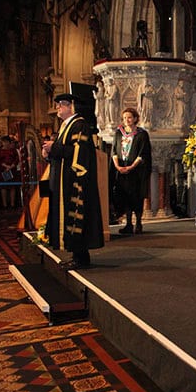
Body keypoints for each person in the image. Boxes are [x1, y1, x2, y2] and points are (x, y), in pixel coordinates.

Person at [42, 93, 104, 270]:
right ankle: (76, 255)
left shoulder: (80, 125)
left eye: (62, 104)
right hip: (64, 180)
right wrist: (49, 153)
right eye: (58, 104)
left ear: (72, 106)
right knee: (69, 218)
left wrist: (55, 147)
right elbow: (64, 153)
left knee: (76, 218)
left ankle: (81, 258)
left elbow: (81, 153)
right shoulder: (65, 126)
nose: (58, 108)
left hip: (75, 182)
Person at [112, 107, 152, 235]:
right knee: (125, 197)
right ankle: (128, 224)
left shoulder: (141, 134)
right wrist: (118, 167)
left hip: (136, 172)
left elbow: (143, 153)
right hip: (122, 170)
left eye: (129, 117)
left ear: (135, 118)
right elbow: (114, 151)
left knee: (136, 197)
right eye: (124, 118)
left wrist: (131, 167)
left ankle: (138, 223)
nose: (126, 120)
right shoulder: (119, 133)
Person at [0, 135, 19, 208]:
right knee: (4, 187)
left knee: (12, 187)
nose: (5, 143)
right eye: (4, 142)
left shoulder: (13, 150)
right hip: (4, 170)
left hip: (12, 169)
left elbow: (16, 159)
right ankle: (5, 204)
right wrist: (6, 166)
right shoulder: (0, 151)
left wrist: (11, 166)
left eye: (7, 142)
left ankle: (12, 204)